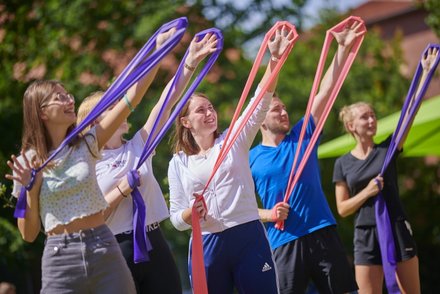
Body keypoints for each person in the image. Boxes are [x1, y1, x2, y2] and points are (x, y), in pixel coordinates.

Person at [5, 28, 176, 293]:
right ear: (42, 113)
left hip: (103, 246)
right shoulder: (28, 162)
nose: (69, 99)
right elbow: (28, 235)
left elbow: (132, 97)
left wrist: (159, 50)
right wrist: (31, 188)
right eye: (59, 97)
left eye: (68, 94)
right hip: (60, 257)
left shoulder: (88, 142)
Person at [76, 32, 218, 293]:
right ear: (95, 122)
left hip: (154, 242)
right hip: (114, 248)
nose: (119, 107)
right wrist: (121, 189)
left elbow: (167, 101)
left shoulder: (139, 144)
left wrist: (190, 61)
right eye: (110, 107)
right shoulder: (87, 164)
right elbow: (93, 217)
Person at [167, 26, 294, 294]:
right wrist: (189, 216)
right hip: (207, 245)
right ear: (186, 122)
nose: (210, 113)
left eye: (211, 107)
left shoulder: (232, 139)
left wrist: (274, 60)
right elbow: (176, 218)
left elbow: (259, 102)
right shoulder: (178, 162)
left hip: (248, 234)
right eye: (201, 110)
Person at [249, 21, 365, 294]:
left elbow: (323, 93)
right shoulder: (250, 157)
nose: (284, 112)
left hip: (322, 231)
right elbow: (234, 208)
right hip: (283, 241)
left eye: (285, 108)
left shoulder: (303, 136)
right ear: (261, 119)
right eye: (276, 109)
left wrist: (342, 48)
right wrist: (267, 214)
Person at [332, 48, 438, 294]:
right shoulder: (343, 163)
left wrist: (425, 72)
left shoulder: (387, 149)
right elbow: (343, 208)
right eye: (364, 117)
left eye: (373, 116)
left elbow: (410, 112)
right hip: (365, 235)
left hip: (396, 227)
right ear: (351, 126)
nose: (371, 120)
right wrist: (368, 192)